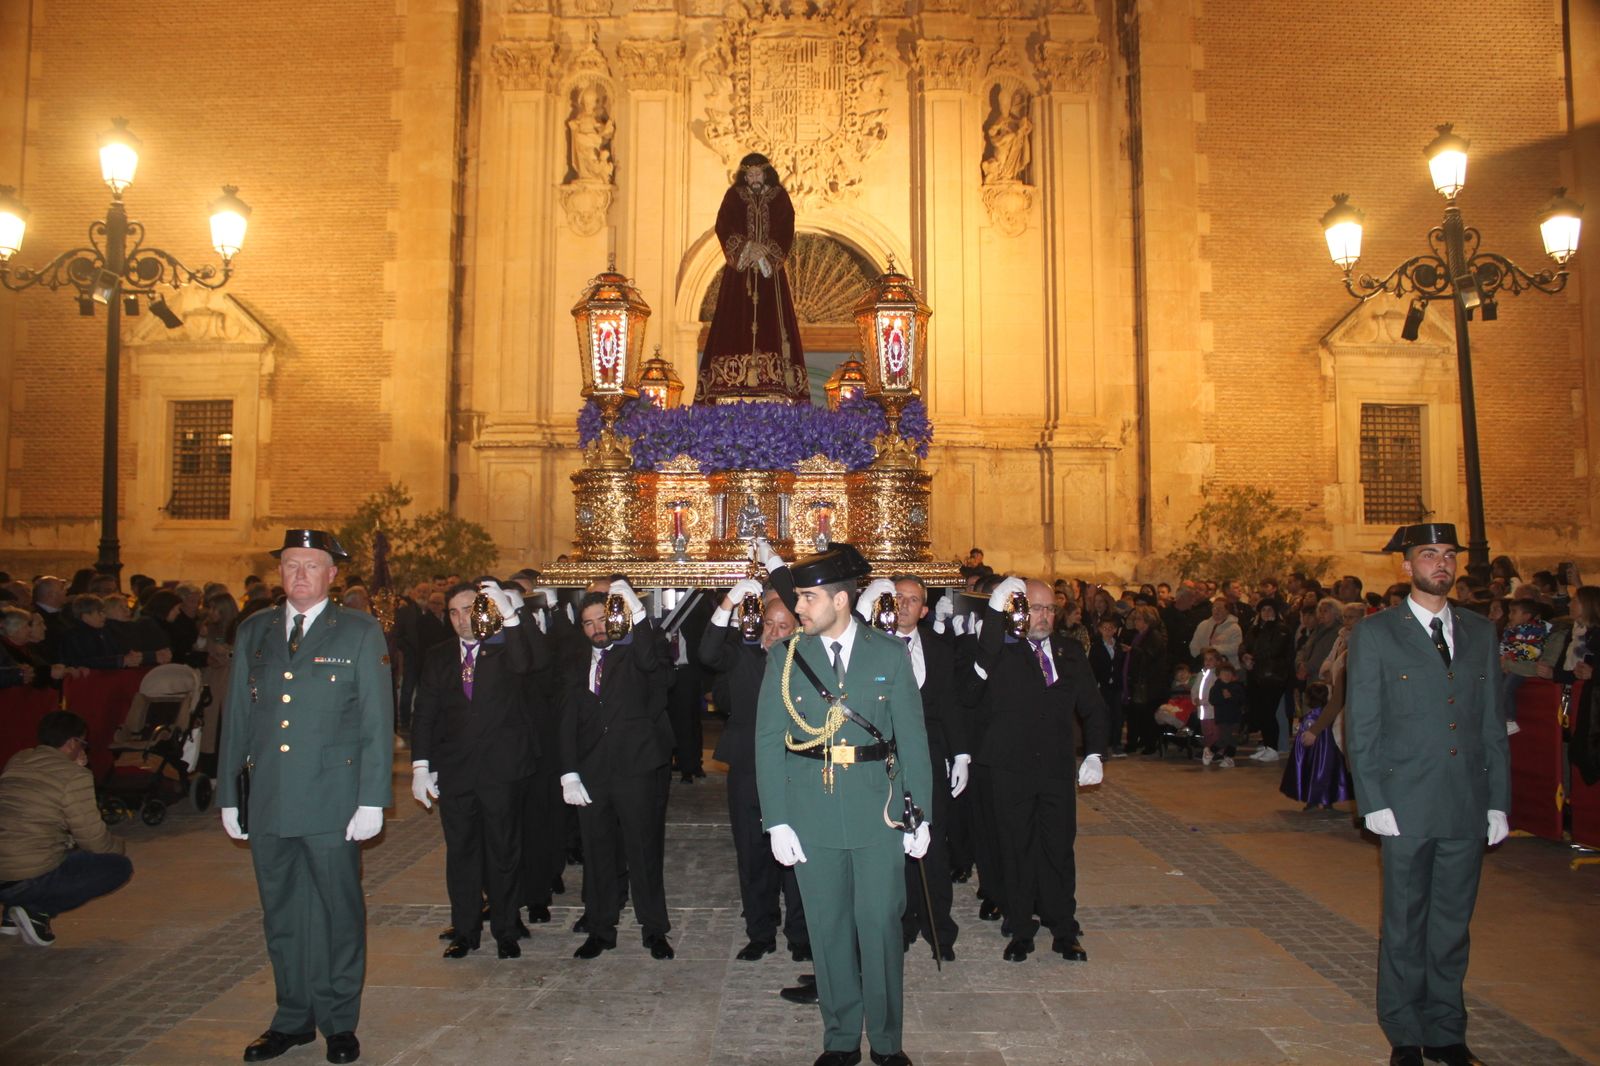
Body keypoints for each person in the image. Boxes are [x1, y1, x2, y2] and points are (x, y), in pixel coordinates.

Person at [216, 530, 394, 1065]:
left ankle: (339, 1022)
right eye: (291, 564)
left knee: (339, 912)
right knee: (283, 915)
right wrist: (230, 795)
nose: (299, 575)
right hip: (269, 797)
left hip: (333, 800)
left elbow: (375, 723)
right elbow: (238, 720)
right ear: (279, 572)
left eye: (311, 565)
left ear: (332, 575)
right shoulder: (255, 631)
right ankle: (292, 1018)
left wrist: (372, 799)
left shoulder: (359, 632)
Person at [755, 543, 932, 1066]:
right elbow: (767, 741)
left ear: (839, 600)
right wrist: (777, 819)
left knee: (880, 926)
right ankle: (838, 1038)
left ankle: (886, 1040)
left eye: (807, 598)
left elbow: (913, 741)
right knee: (828, 928)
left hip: (878, 813)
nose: (797, 609)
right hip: (811, 815)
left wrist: (919, 812)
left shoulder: (888, 654)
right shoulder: (785, 658)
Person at [1345, 523, 1510, 1066]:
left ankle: (1446, 1030)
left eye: (1447, 555)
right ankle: (1404, 1033)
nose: (1441, 563)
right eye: (1428, 554)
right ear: (1406, 566)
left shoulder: (1481, 631)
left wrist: (1498, 801)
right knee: (1405, 923)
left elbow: (1490, 723)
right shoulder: (1376, 633)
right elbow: (1363, 723)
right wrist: (1372, 799)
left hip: (1465, 800)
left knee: (1451, 925)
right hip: (1405, 801)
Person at [965, 576, 1107, 964]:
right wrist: (996, 609)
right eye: (1034, 608)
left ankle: (1064, 928)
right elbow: (977, 669)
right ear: (1019, 612)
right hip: (1010, 769)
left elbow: (1093, 705)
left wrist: (1094, 753)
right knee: (1016, 849)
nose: (1042, 616)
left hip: (1057, 769)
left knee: (1059, 849)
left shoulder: (1070, 651)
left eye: (1048, 608)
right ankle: (1020, 928)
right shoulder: (1002, 651)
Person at [410, 580, 543, 960]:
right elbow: (426, 715)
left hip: (502, 769)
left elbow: (526, 662)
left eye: (468, 609)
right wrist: (422, 766)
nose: (460, 619)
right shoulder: (439, 656)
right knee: (461, 853)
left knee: (502, 851)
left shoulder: (504, 648)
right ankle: (465, 931)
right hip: (456, 771)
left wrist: (510, 615)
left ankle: (505, 930)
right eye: (452, 612)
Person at [560, 581, 676, 961]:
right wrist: (568, 772)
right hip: (592, 773)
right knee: (597, 855)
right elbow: (566, 721)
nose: (596, 628)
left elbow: (652, 660)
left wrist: (637, 613)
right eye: (588, 622)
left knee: (643, 851)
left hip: (636, 768)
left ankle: (654, 929)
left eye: (601, 620)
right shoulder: (575, 662)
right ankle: (600, 928)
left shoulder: (634, 654)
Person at [700, 577, 811, 962]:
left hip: (796, 769)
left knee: (798, 856)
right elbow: (707, 651)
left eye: (784, 627)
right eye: (769, 625)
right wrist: (729, 601)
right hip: (748, 769)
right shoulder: (742, 655)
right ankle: (760, 933)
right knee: (752, 853)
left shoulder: (807, 660)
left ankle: (801, 935)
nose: (774, 633)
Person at [881, 573, 966, 963]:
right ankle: (898, 925)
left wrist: (960, 754)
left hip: (930, 757)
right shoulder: (872, 646)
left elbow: (951, 705)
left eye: (913, 600)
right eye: (898, 597)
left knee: (933, 843)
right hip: (882, 760)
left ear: (925, 609)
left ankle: (938, 929)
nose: (904, 605)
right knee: (890, 847)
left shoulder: (939, 648)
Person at [0, 711, 133, 946]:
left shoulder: (19, 759)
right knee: (117, 867)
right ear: (73, 743)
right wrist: (118, 846)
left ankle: (12, 913)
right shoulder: (74, 776)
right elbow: (93, 840)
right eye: (83, 743)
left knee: (31, 846)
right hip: (29, 876)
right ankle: (38, 911)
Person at [695, 152, 809, 404]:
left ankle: (777, 382)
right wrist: (747, 248)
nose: (754, 178)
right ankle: (731, 381)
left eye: (758, 173)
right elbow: (724, 226)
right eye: (750, 174)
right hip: (740, 276)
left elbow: (785, 229)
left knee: (774, 324)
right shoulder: (734, 197)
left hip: (770, 279)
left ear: (766, 174)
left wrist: (766, 251)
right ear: (744, 176)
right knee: (734, 319)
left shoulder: (780, 198)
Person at [1279, 680, 1352, 810]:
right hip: (1330, 754)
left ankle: (1313, 800)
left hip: (1313, 756)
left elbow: (1302, 741)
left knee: (1313, 774)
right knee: (1329, 774)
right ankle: (1327, 800)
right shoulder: (1329, 716)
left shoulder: (1310, 718)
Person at [1241, 600, 1294, 763]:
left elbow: (1274, 650)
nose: (1266, 612)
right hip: (1257, 676)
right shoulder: (1256, 629)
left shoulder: (1281, 629)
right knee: (1262, 713)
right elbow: (1245, 645)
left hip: (1273, 677)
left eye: (1270, 609)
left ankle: (1273, 747)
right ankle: (1267, 744)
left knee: (1270, 713)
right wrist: (1244, 656)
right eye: (1263, 609)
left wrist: (1253, 657)